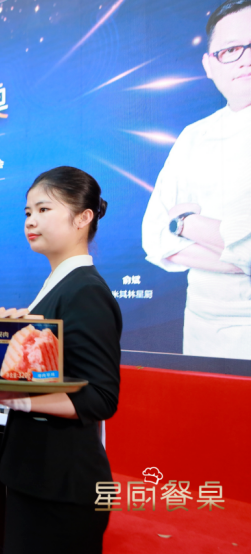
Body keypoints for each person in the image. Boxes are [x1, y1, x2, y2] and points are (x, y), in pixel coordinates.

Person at [0, 167, 120, 553]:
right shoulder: (58, 286)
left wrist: (17, 399)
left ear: (83, 218)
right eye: (28, 212)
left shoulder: (85, 291)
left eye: (44, 209)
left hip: (62, 485)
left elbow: (100, 397)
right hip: (39, 475)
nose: (31, 221)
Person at [141, 0, 251, 360]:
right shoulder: (194, 136)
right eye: (231, 50)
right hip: (205, 325)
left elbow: (171, 226)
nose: (245, 59)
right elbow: (154, 235)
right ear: (209, 65)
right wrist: (240, 255)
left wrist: (186, 223)